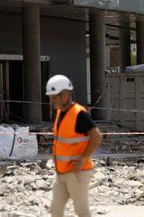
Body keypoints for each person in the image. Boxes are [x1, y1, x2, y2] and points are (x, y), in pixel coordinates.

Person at [47, 74, 102, 217]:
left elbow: (96, 136)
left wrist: (83, 158)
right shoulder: (60, 112)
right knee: (55, 209)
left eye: (54, 97)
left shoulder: (79, 114)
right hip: (61, 172)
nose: (52, 100)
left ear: (64, 95)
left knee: (82, 211)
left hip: (77, 172)